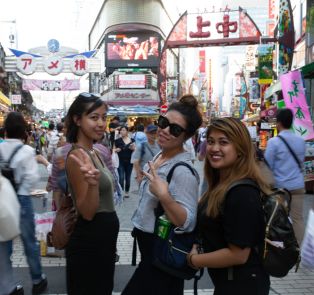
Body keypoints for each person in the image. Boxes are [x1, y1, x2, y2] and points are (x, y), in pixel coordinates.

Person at [122, 94, 202, 295]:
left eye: (174, 129)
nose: (164, 130)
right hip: (149, 248)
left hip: (162, 250)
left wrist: (164, 195)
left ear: (187, 136)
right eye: (164, 122)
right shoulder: (160, 154)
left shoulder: (183, 171)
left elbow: (187, 222)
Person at [186, 117, 270, 295]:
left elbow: (238, 255)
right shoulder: (221, 184)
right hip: (229, 283)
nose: (214, 148)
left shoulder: (241, 193)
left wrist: (195, 260)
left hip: (243, 286)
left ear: (240, 149)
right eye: (210, 141)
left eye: (223, 142)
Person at [65, 93, 119, 294]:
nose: (101, 123)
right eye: (94, 117)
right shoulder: (78, 155)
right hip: (89, 244)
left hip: (101, 242)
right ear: (77, 119)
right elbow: (86, 212)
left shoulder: (94, 151)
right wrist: (93, 184)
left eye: (104, 117)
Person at [0, 112, 47, 295]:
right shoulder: (26, 151)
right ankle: (37, 279)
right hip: (22, 201)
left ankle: (8, 286)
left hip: (3, 201)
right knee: (29, 243)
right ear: (23, 130)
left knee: (3, 244)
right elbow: (32, 179)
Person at [265, 108, 306, 245]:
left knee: (276, 217)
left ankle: (279, 246)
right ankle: (298, 248)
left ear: (278, 122)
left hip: (280, 188)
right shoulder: (301, 141)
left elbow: (267, 165)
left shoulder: (274, 142)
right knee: (297, 218)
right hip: (297, 185)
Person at [113, 126, 136, 198]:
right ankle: (121, 192)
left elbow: (136, 149)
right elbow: (113, 150)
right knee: (121, 178)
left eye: (123, 130)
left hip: (129, 162)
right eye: (121, 130)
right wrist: (116, 150)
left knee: (128, 177)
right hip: (120, 162)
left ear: (127, 131)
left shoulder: (132, 140)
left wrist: (133, 148)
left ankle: (126, 192)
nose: (122, 132)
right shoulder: (117, 141)